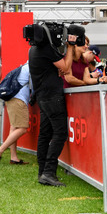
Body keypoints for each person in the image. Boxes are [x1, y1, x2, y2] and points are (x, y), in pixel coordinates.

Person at [29, 28, 75, 187]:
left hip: (42, 96)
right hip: (52, 96)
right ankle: (48, 172)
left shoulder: (33, 49)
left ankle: (43, 171)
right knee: (60, 133)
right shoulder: (47, 49)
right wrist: (69, 47)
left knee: (45, 133)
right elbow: (66, 68)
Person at [0, 62, 32, 165]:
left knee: (14, 127)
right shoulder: (32, 67)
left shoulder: (24, 67)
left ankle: (14, 158)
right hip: (19, 100)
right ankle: (0, 150)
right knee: (23, 128)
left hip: (12, 98)